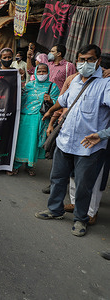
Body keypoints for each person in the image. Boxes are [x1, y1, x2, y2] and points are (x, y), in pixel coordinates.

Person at [35, 44, 110, 237]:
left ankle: (80, 219)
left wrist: (102, 135)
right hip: (66, 139)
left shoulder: (105, 83)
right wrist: (51, 111)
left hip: (89, 146)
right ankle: (55, 210)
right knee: (58, 179)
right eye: (82, 60)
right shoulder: (76, 79)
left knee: (84, 185)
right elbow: (65, 100)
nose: (85, 64)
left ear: (98, 61)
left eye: (90, 60)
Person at [8, 63, 60, 176]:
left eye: (44, 71)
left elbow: (59, 103)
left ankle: (30, 165)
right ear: (35, 72)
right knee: (22, 142)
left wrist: (51, 100)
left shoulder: (53, 87)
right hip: (25, 117)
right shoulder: (29, 85)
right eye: (39, 71)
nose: (41, 74)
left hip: (40, 119)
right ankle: (16, 165)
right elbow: (20, 98)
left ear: (48, 72)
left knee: (34, 142)